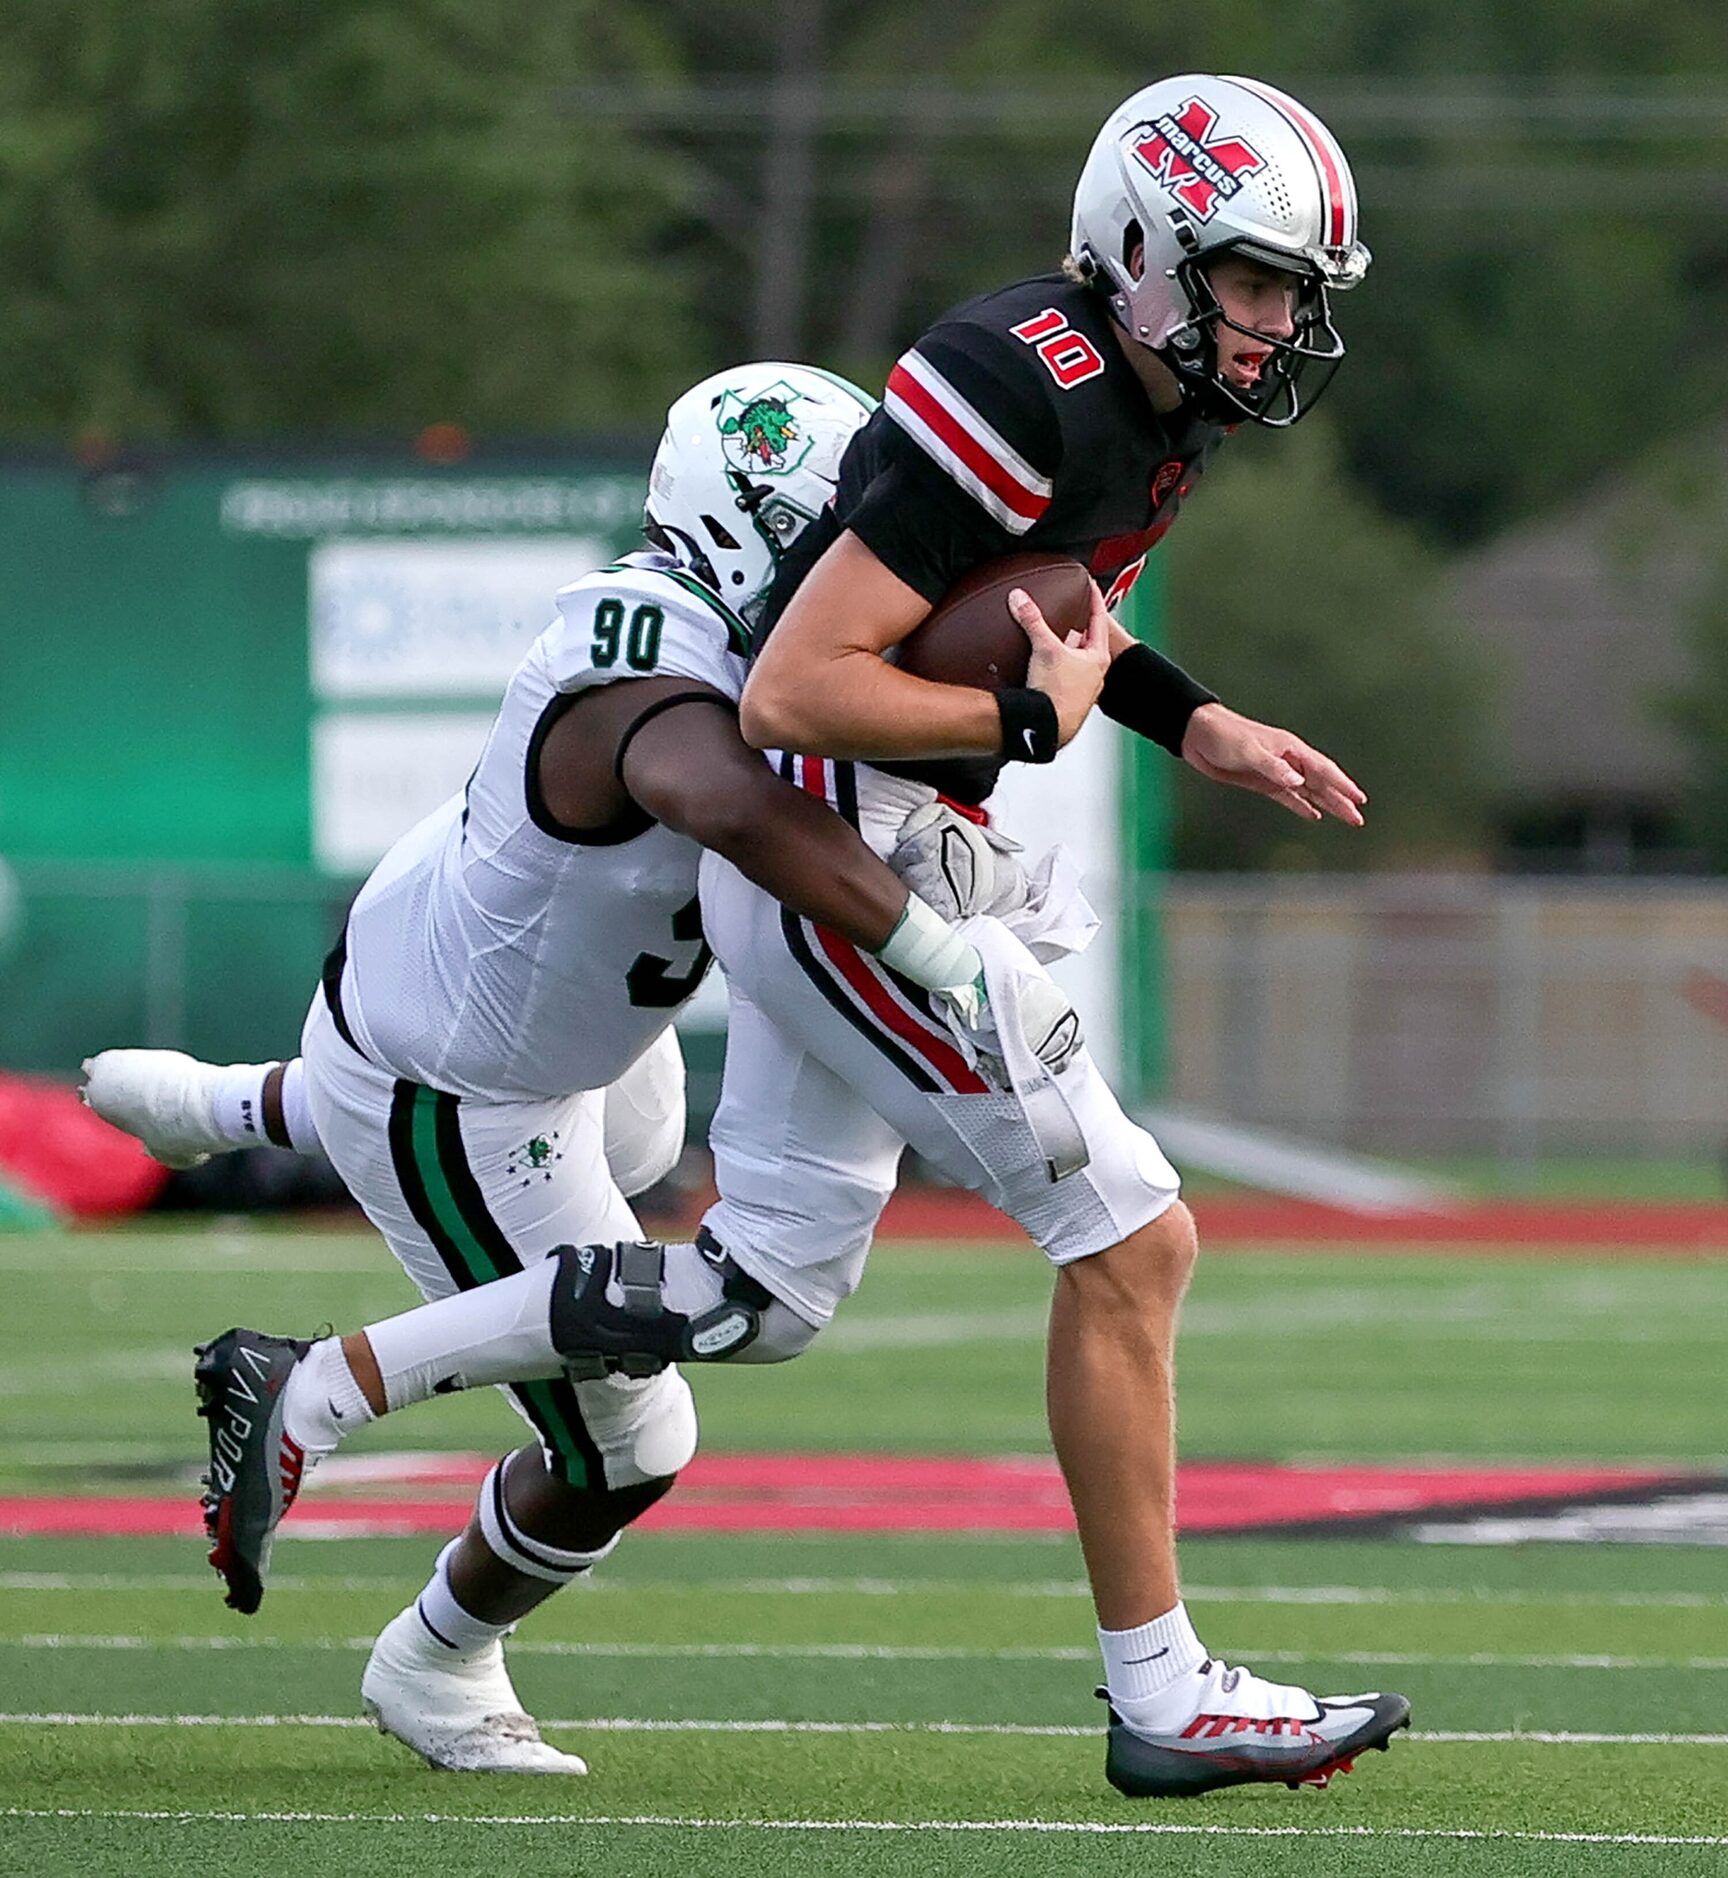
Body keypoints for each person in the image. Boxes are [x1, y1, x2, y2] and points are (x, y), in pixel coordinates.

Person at [90, 72, 1409, 1800]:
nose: (1280, 321)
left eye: (1293, 290)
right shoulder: (994, 406)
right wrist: (1002, 782)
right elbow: (793, 700)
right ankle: (1159, 1689)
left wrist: (1186, 717)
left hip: (693, 949)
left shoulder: (1150, 404)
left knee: (762, 1296)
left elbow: (1030, 596)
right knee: (1128, 1232)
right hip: (780, 888)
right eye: (1254, 280)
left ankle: (320, 1390)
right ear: (1149, 253)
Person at [86, 359, 1068, 1776]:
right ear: (742, 527)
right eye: (829, 535)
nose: (865, 570)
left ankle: (233, 1104)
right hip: (463, 1080)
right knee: (633, 1436)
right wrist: (946, 943)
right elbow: (723, 796)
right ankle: (407, 1597)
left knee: (640, 1154)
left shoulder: (752, 631)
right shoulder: (646, 659)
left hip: (540, 1016)